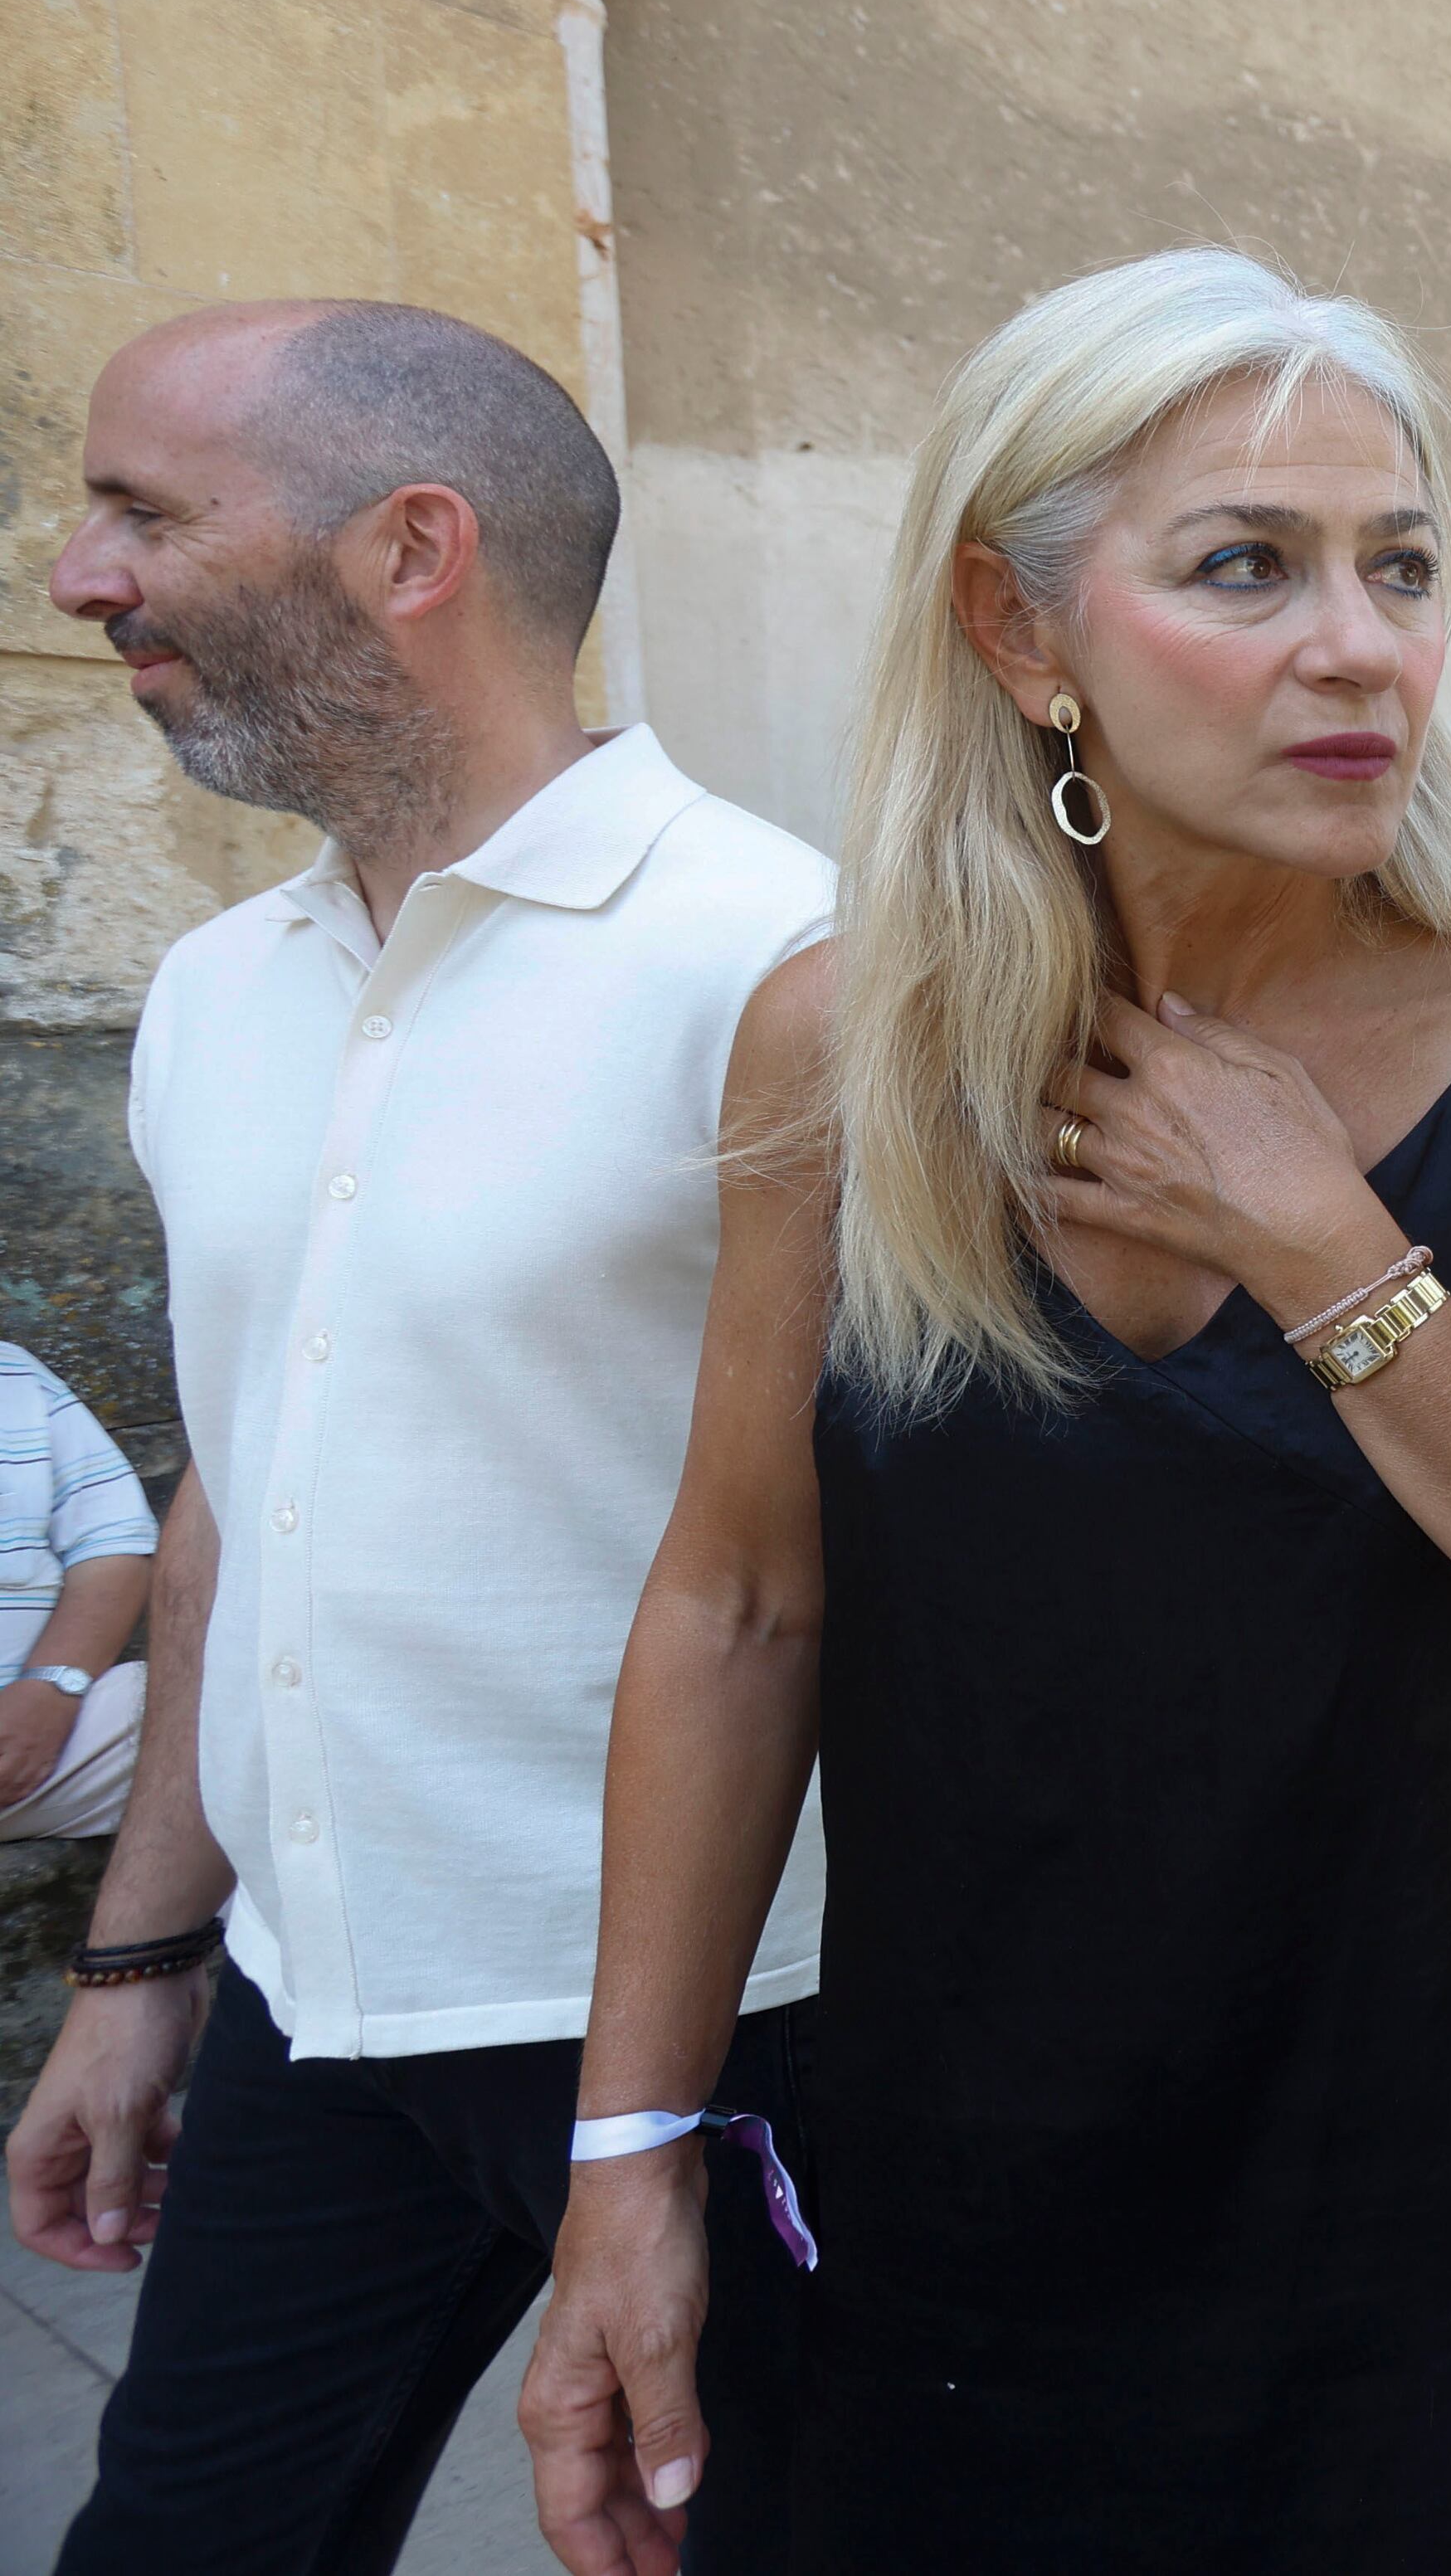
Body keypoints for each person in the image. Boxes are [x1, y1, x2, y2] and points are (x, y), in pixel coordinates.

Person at [520, 250, 1451, 2576]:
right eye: (1247, 567)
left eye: (1401, 567)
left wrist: (1324, 1246)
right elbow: (743, 1597)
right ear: (1020, 627)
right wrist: (626, 2151)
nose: (1361, 641)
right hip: (964, 2191)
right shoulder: (842, 1049)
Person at [9, 300, 830, 2573]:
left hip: (739, 2026)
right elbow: (231, 1507)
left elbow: (822, 1572)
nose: (81, 575)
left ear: (412, 548)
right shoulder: (212, 993)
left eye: (143, 512)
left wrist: (646, 2122)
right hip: (310, 1992)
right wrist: (142, 1962)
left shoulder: (779, 960)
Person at [1, 1342, 156, 1844]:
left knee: (222, 1713)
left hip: (45, 1743)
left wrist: (52, 1689)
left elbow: (114, 1544)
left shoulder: (14, 1375)